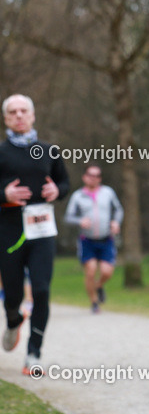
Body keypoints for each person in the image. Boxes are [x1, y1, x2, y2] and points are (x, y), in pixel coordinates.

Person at [0, 94, 71, 375]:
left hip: (41, 230)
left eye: (24, 111)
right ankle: (14, 320)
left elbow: (64, 183)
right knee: (13, 292)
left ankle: (34, 353)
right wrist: (4, 194)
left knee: (41, 289)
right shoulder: (1, 153)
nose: (19, 116)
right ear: (6, 118)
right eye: (12, 112)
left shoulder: (49, 151)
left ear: (33, 115)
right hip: (9, 230)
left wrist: (57, 192)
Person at [65, 164, 124, 313]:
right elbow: (68, 217)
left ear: (100, 178)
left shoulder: (108, 193)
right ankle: (94, 303)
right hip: (87, 240)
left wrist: (116, 222)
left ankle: (98, 286)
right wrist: (80, 221)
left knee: (106, 272)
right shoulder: (78, 196)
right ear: (85, 177)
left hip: (106, 238)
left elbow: (118, 210)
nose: (94, 178)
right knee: (90, 271)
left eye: (97, 176)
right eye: (91, 175)